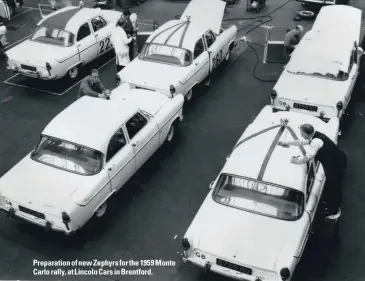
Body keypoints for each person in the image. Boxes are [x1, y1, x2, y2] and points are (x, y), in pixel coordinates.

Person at [278, 124, 347, 219]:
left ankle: (334, 211)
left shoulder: (316, 141)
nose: (301, 135)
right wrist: (286, 142)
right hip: (336, 160)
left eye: (301, 133)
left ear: (306, 133)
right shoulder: (314, 135)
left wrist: (296, 161)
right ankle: (330, 204)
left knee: (335, 186)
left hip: (335, 164)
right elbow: (301, 141)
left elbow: (308, 157)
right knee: (332, 185)